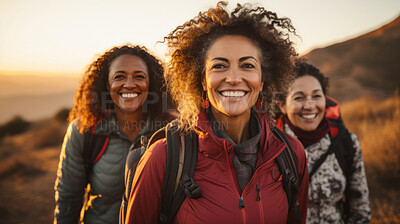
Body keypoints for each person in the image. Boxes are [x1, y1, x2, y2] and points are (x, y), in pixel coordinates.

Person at [125, 2, 308, 223]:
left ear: (262, 81)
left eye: (247, 66)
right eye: (219, 66)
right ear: (202, 80)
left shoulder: (290, 154)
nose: (233, 78)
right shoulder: (163, 158)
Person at [54, 44, 172, 224]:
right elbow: (69, 197)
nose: (130, 84)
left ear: (152, 83)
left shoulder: (171, 130)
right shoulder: (84, 130)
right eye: (119, 77)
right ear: (106, 84)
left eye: (139, 76)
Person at [276, 60, 371, 223]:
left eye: (316, 96)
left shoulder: (346, 142)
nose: (310, 105)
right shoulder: (270, 146)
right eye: (299, 97)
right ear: (282, 106)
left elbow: (360, 211)